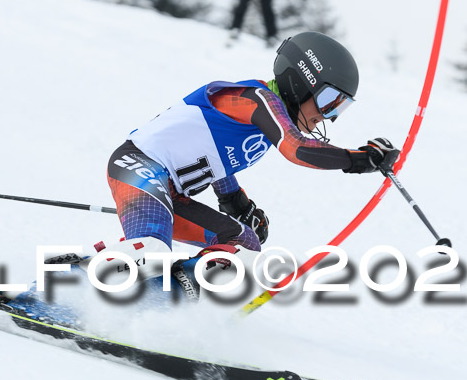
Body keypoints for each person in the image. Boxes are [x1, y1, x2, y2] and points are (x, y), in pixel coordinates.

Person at [103, 31, 397, 282]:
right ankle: (70, 280)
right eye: (327, 101)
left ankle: (175, 301)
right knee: (152, 249)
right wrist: (358, 159)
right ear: (301, 83)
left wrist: (236, 202)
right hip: (137, 166)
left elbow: (216, 154)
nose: (327, 116)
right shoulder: (254, 99)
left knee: (244, 245)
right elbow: (297, 149)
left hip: (170, 194)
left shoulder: (267, 119)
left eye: (338, 107)